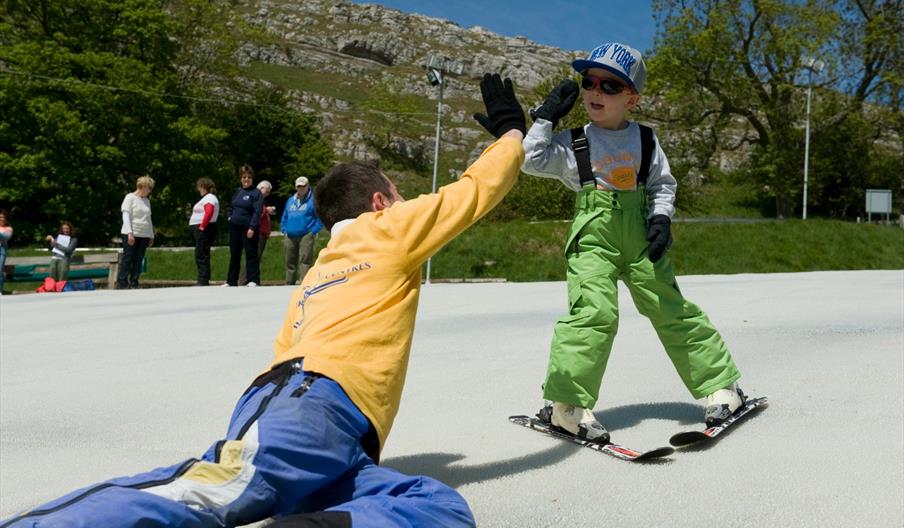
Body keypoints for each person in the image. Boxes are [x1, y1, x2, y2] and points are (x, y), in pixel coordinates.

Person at [0, 73, 526, 528]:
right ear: (380, 202)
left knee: (436, 506)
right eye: (400, 196)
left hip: (326, 427)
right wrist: (511, 135)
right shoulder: (385, 229)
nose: (411, 206)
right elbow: (474, 189)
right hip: (311, 404)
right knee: (205, 493)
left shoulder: (322, 270)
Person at [522, 42, 745, 442]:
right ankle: (566, 405)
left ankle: (721, 386)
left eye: (609, 86)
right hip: (594, 235)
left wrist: (661, 217)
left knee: (671, 309)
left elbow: (662, 183)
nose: (594, 91)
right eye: (589, 81)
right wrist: (543, 119)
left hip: (642, 235)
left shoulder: (645, 140)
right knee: (594, 314)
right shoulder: (574, 142)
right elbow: (530, 160)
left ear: (632, 98)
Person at [224, 165, 263, 287]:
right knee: (235, 253)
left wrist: (252, 227)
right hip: (235, 226)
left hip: (248, 227)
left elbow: (257, 211)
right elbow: (231, 206)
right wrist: (230, 217)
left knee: (250, 252)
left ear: (252, 179)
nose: (246, 179)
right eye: (244, 177)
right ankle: (231, 281)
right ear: (241, 179)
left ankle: (253, 279)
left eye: (249, 177)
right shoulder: (238, 192)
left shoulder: (256, 193)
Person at [281, 176, 323, 285]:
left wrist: (313, 231)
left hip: (306, 234)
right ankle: (289, 282)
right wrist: (284, 229)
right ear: (296, 187)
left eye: (303, 186)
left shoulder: (313, 200)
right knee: (290, 260)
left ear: (308, 186)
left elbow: (319, 217)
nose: (301, 188)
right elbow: (285, 216)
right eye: (299, 186)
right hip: (290, 234)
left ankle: (304, 283)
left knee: (305, 260)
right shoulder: (291, 200)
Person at [118, 176, 155, 289]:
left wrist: (151, 235)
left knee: (139, 259)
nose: (150, 191)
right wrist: (130, 233)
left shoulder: (147, 201)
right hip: (131, 233)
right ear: (142, 187)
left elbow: (149, 219)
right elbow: (126, 215)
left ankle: (134, 282)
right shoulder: (130, 197)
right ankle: (123, 283)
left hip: (144, 234)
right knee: (128, 258)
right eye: (149, 188)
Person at [239, 180, 276, 286]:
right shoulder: (254, 197)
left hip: (262, 234)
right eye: (267, 191)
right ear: (261, 188)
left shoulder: (260, 199)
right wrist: (266, 210)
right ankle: (244, 280)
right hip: (256, 232)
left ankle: (251, 279)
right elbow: (253, 212)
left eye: (269, 192)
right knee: (252, 257)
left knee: (255, 257)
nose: (267, 194)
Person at [189, 177, 220, 286]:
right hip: (200, 228)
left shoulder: (209, 198)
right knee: (200, 252)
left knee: (202, 254)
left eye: (199, 187)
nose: (198, 189)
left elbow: (209, 211)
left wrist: (202, 227)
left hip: (204, 228)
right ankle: (202, 278)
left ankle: (203, 279)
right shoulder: (206, 198)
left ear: (203, 186)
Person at [0, 209, 11, 295]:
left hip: (2, 250)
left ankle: (0, 290)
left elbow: (6, 237)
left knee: (0, 269)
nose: (1, 219)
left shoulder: (8, 228)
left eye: (3, 217)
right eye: (0, 217)